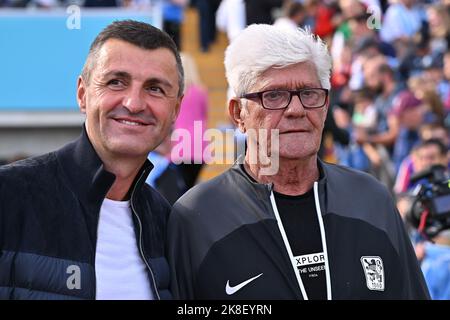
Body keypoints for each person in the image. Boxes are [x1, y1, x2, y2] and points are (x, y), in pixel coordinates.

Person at [167, 24, 430, 300]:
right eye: (274, 95)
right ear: (238, 115)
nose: (296, 109)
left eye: (309, 93)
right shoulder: (196, 217)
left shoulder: (371, 199)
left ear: (326, 105)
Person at [0, 20, 184, 300]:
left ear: (175, 110)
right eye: (116, 82)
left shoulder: (167, 221)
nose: (134, 103)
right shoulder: (9, 196)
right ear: (82, 94)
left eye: (155, 88)